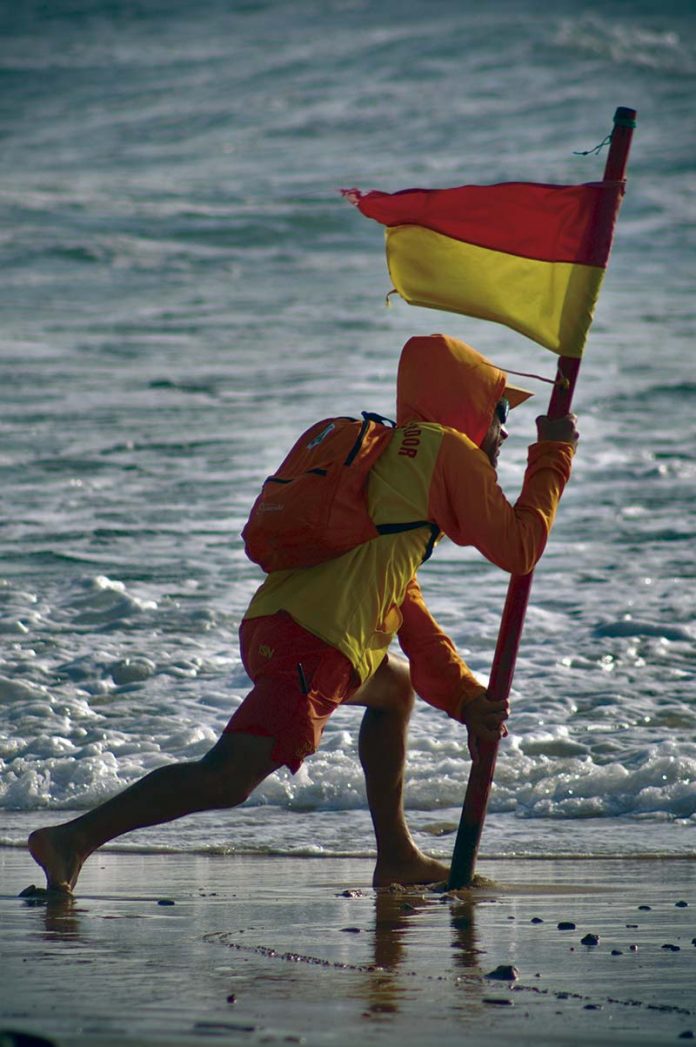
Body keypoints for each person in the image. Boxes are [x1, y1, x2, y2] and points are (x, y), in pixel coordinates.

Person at [28, 333, 578, 894]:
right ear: (468, 408)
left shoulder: (393, 471)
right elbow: (519, 548)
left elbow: (408, 615)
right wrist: (555, 453)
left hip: (278, 625)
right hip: (315, 646)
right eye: (501, 410)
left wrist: (464, 698)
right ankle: (73, 839)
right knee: (226, 778)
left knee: (394, 691)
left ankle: (396, 857)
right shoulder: (445, 450)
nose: (506, 429)